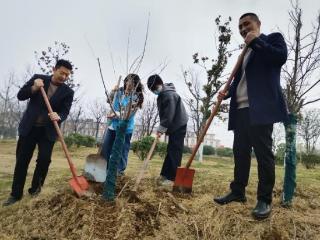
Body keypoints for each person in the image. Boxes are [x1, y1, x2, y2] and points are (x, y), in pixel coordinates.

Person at [213, 13, 288, 219]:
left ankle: (264, 199)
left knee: (263, 154)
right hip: (241, 110)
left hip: (260, 109)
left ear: (258, 24)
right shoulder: (243, 54)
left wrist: (255, 42)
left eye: (247, 24)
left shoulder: (271, 39)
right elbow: (240, 82)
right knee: (240, 152)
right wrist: (227, 93)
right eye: (240, 27)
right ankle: (238, 191)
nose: (243, 29)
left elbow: (280, 57)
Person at [3, 59, 74, 206]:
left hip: (47, 132)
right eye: (62, 73)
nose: (64, 77)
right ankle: (15, 194)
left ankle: (35, 190)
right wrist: (34, 88)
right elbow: (21, 95)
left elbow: (65, 111)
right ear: (54, 69)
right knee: (22, 161)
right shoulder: (38, 78)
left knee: (44, 160)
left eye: (67, 75)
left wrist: (59, 116)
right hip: (29, 128)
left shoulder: (68, 92)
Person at [147, 74, 188, 187]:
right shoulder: (163, 94)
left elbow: (168, 115)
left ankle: (172, 178)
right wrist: (163, 129)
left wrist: (161, 129)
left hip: (179, 124)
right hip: (173, 125)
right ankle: (165, 174)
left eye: (155, 88)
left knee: (175, 151)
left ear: (160, 84)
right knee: (171, 150)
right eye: (152, 90)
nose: (154, 91)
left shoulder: (169, 95)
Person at [101, 73, 144, 176]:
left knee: (122, 149)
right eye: (127, 82)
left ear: (136, 85)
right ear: (125, 82)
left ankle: (119, 170)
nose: (129, 85)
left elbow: (129, 114)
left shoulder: (136, 97)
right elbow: (109, 100)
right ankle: (103, 168)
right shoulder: (119, 91)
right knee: (106, 147)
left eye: (132, 83)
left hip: (125, 128)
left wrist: (115, 115)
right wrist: (113, 91)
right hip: (112, 125)